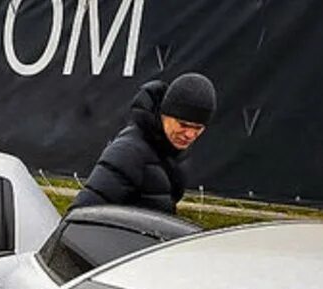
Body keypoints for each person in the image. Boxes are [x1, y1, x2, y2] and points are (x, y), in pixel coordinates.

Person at [71, 73, 217, 215]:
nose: (189, 135)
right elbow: (80, 215)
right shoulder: (128, 153)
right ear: (164, 114)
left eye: (198, 128)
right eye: (183, 124)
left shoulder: (171, 151)